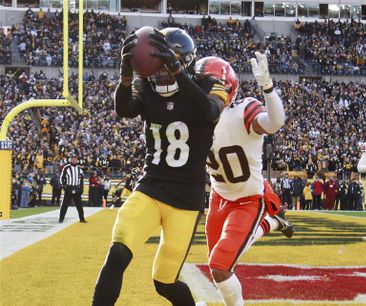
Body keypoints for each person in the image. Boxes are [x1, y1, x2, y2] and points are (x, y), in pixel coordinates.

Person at [92, 28, 227, 306]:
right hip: (150, 188)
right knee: (118, 252)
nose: (161, 74)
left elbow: (208, 112)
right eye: (159, 67)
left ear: (184, 62)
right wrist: (125, 77)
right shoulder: (145, 86)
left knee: (164, 283)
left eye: (167, 66)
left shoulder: (210, 85)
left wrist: (177, 71)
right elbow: (124, 110)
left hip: (185, 200)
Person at [203, 53, 292, 306]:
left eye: (212, 85)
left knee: (220, 266)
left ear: (228, 89)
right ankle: (272, 223)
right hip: (218, 197)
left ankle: (270, 221)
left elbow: (275, 122)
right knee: (218, 267)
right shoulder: (195, 117)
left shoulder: (242, 110)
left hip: (247, 199)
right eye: (202, 84)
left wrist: (268, 87)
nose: (205, 91)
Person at [59, 153, 85, 223]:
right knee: (65, 205)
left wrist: (81, 189)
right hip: (69, 188)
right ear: (70, 159)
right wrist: (64, 187)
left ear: (77, 160)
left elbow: (81, 180)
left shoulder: (80, 168)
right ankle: (61, 219)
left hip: (77, 188)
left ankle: (82, 219)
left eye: (75, 158)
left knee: (79, 205)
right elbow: (61, 178)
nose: (74, 160)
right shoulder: (66, 167)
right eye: (72, 158)